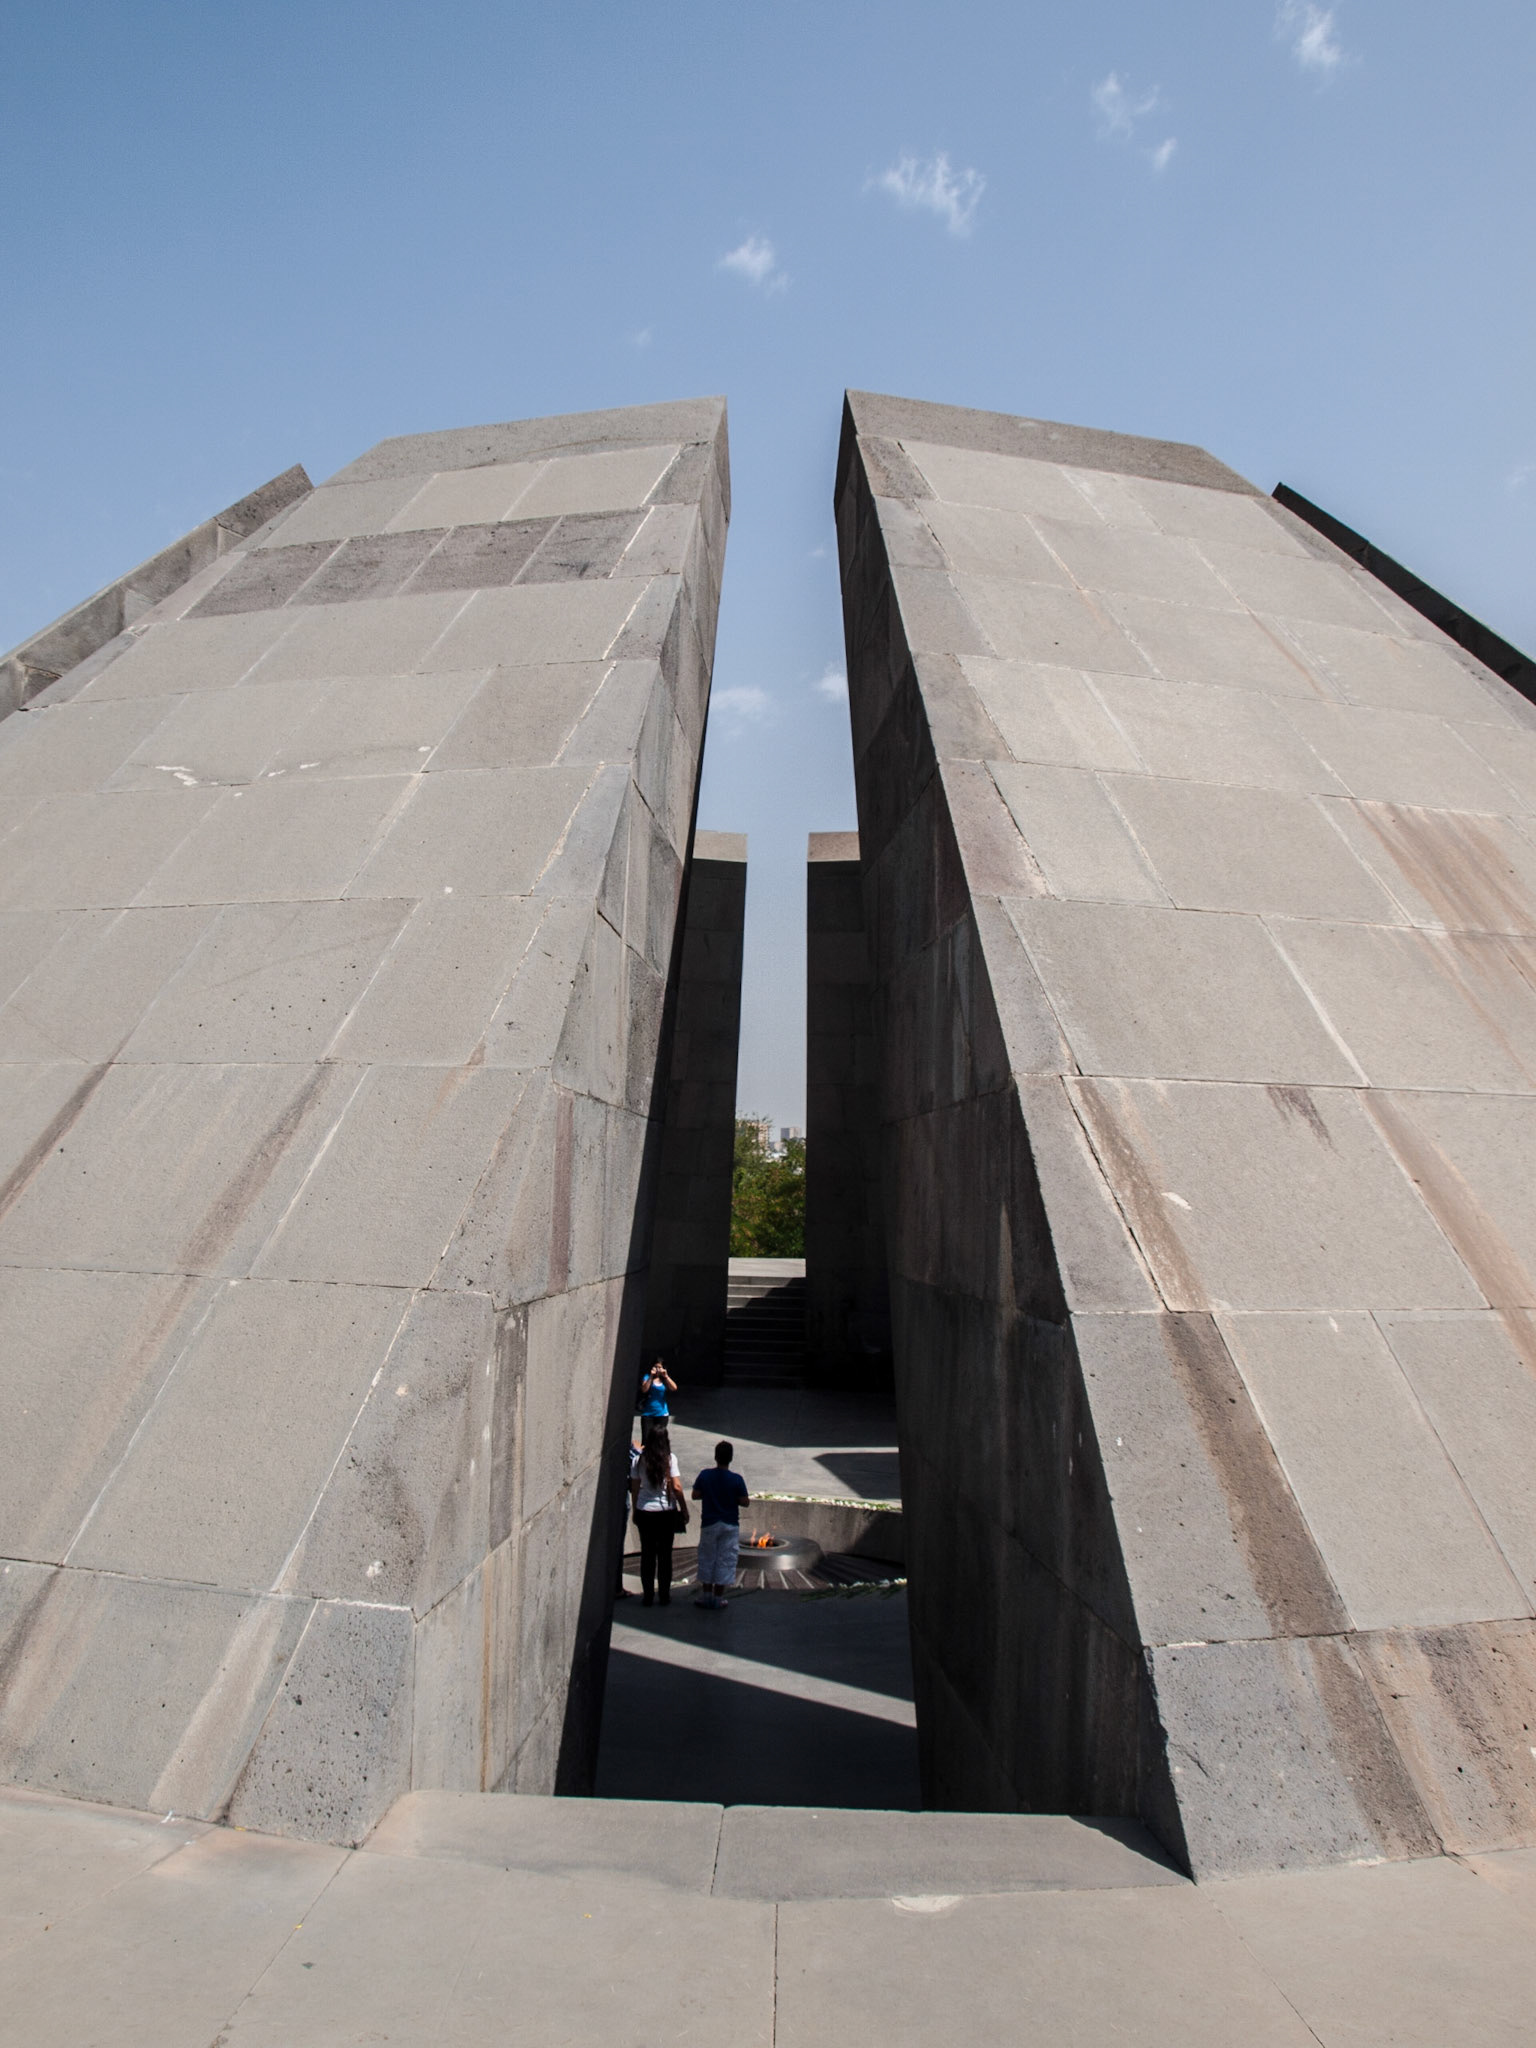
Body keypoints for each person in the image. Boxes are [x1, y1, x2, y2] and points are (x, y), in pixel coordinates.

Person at [630, 1421, 685, 1607]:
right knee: (664, 1555)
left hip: (645, 1510)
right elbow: (676, 1487)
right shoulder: (670, 1460)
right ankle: (664, 1595)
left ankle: (647, 1596)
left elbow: (635, 1488)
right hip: (665, 1512)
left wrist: (635, 1509)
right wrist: (683, 1508)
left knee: (647, 1554)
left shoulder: (638, 1460)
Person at [691, 1440, 749, 1610]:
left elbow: (695, 1494)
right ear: (731, 1458)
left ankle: (706, 1595)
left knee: (707, 1558)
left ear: (715, 1457)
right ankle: (718, 1598)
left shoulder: (705, 1475)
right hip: (730, 1524)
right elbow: (745, 1502)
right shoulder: (736, 1479)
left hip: (709, 1522)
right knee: (725, 1560)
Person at [638, 1357, 676, 1425]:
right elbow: (644, 1390)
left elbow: (674, 1388)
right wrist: (651, 1377)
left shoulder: (664, 1379)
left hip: (662, 1414)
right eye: (656, 1367)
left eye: (660, 1367)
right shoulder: (647, 1377)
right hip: (648, 1413)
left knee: (660, 1435)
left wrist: (666, 1376)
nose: (658, 1369)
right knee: (647, 1435)